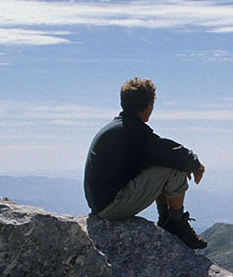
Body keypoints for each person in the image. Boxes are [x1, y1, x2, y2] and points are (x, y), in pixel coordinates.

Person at [84, 77, 208, 249]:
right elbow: (176, 156)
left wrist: (188, 162)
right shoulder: (132, 132)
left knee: (161, 162)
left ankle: (166, 218)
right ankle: (176, 222)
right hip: (112, 207)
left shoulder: (120, 128)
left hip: (101, 204)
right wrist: (196, 165)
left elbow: (163, 151)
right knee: (174, 168)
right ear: (149, 105)